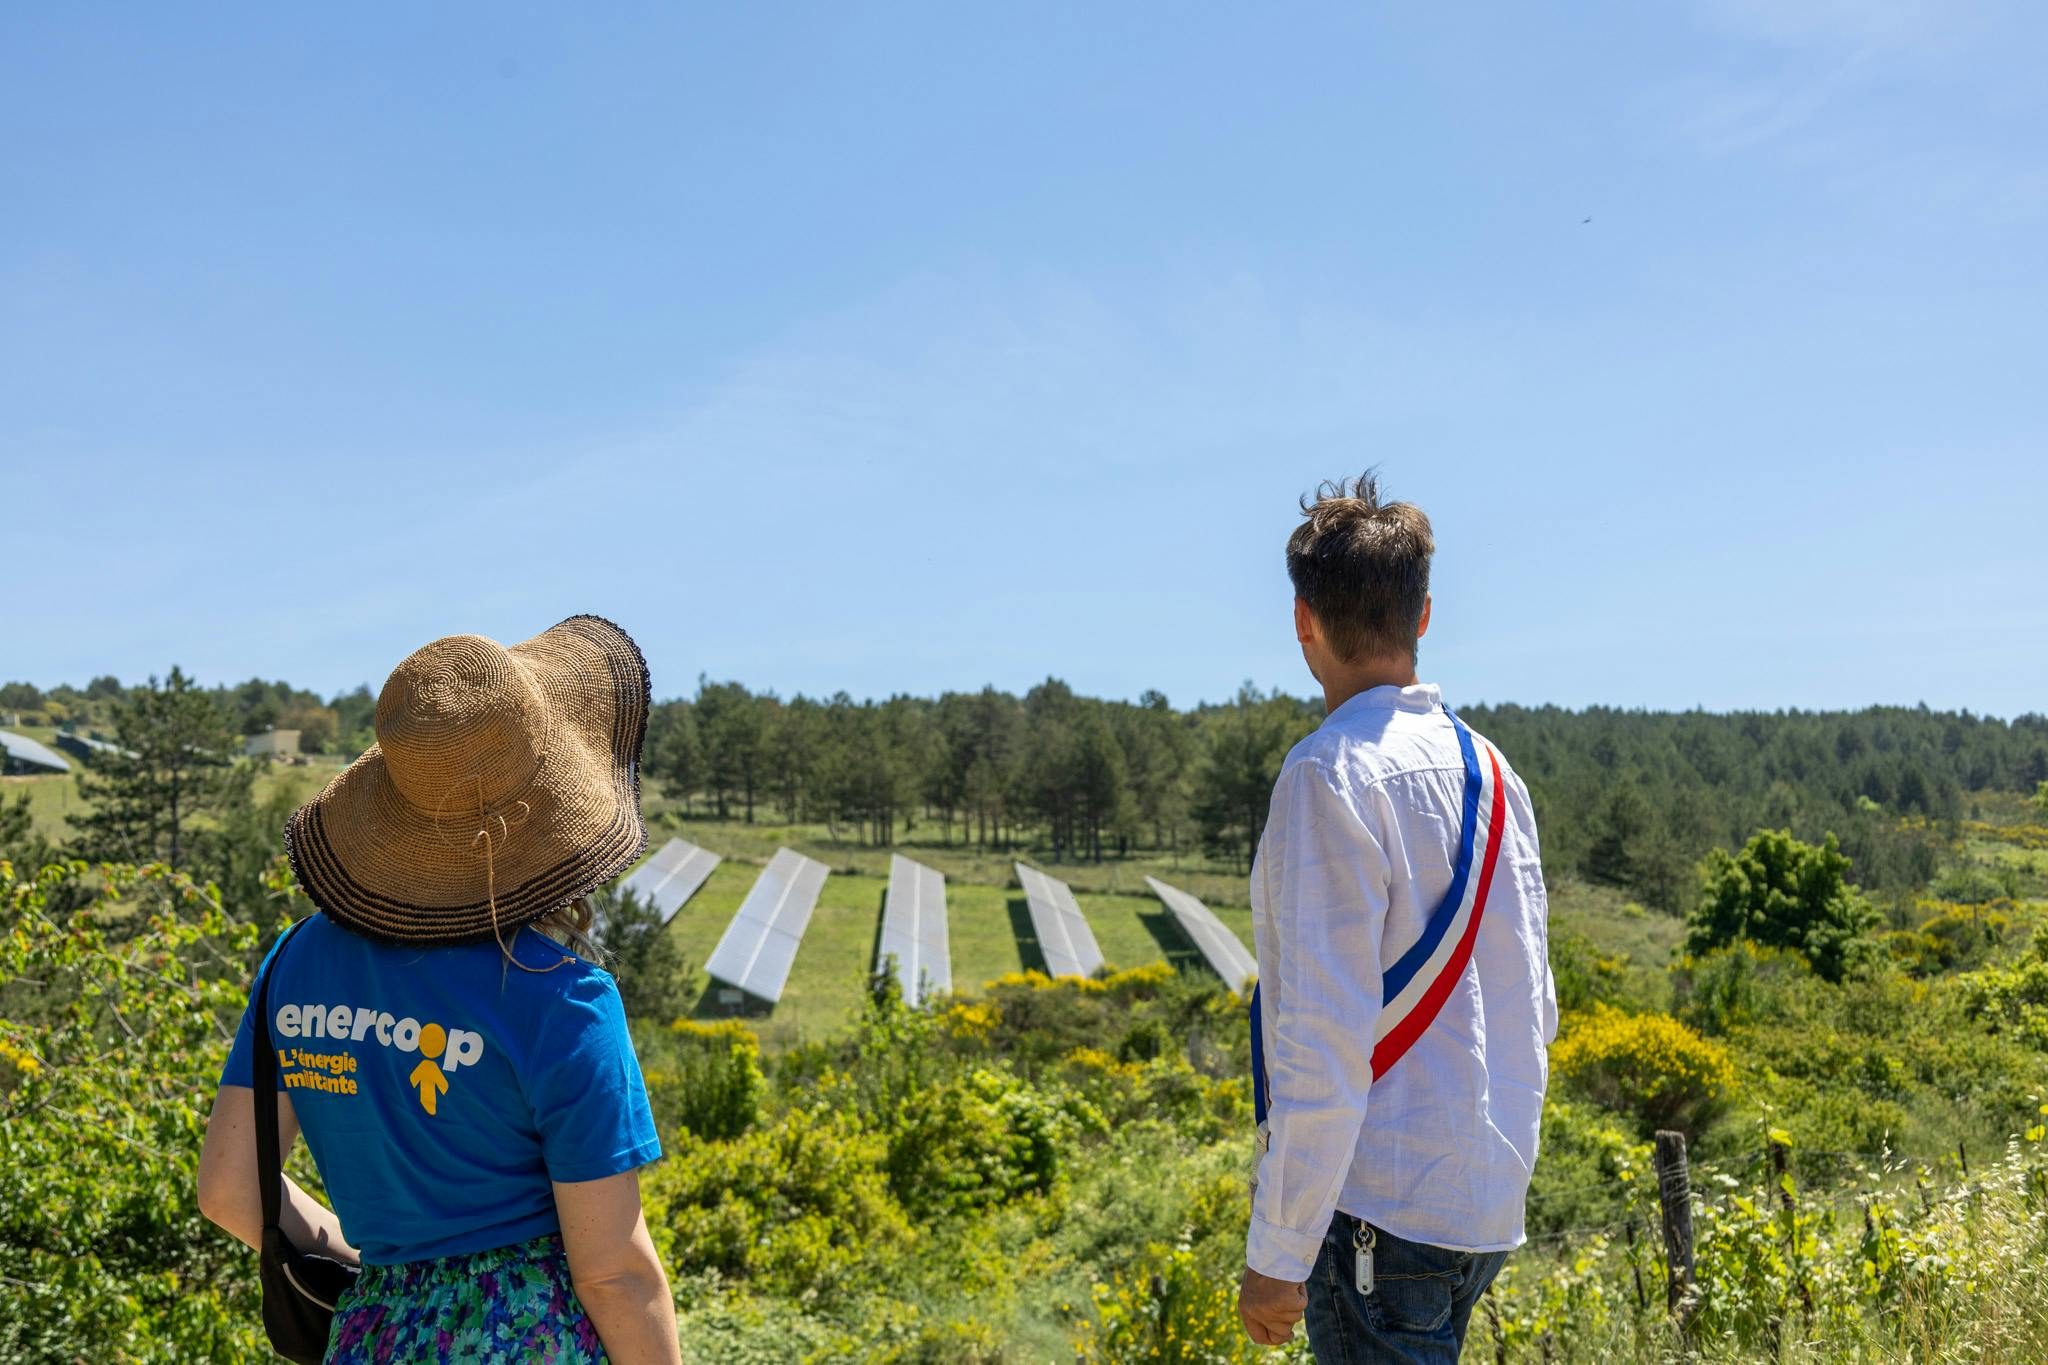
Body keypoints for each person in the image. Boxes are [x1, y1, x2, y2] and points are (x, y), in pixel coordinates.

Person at [197, 615, 682, 1365]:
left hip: (372, 1339)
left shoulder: (294, 962)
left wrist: (389, 1275)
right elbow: (615, 1272)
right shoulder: (563, 999)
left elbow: (230, 1190)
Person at [1236, 477, 1557, 1362]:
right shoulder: (1497, 774)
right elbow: (1539, 1003)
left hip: (1379, 1204)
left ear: (1304, 622)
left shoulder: (1324, 775)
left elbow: (1322, 1041)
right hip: (1482, 1204)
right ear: (1424, 616)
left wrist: (1277, 1250)